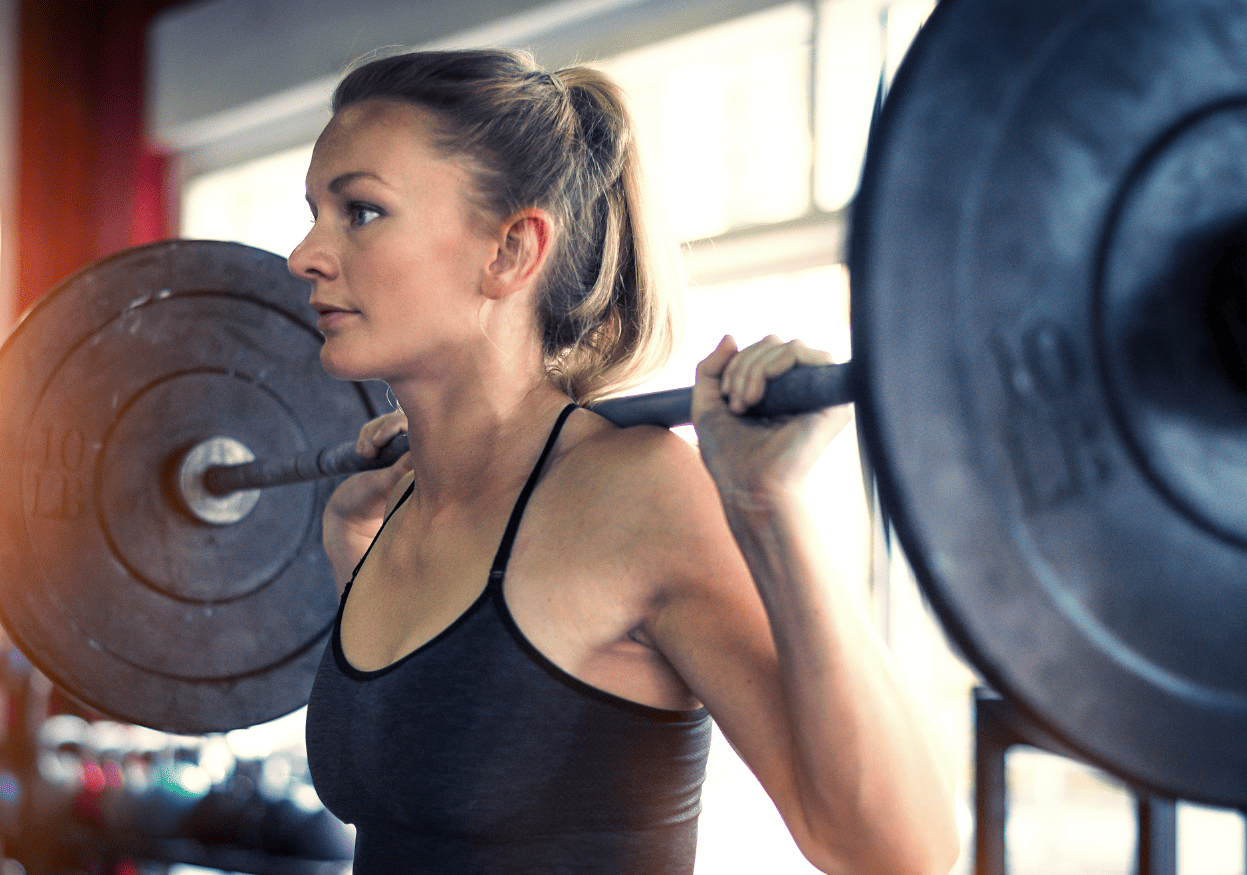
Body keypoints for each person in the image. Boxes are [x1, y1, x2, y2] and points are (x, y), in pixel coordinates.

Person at [289, 48, 958, 875]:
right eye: (315, 210)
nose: (304, 255)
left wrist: (765, 507)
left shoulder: (637, 495)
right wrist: (355, 563)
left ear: (510, 251)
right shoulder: (392, 516)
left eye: (359, 211)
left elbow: (901, 852)